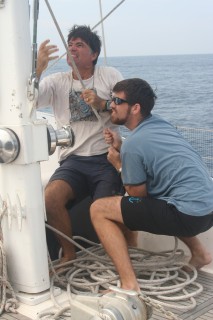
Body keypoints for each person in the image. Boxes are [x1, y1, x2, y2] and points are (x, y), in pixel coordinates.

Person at [90, 78, 213, 292]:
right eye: (111, 99)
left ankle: (129, 284)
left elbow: (136, 194)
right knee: (170, 199)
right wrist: (122, 145)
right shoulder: (160, 124)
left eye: (117, 101)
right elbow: (148, 152)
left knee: (99, 209)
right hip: (206, 210)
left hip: (186, 216)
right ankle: (200, 253)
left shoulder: (135, 145)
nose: (111, 105)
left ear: (135, 108)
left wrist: (119, 163)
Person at [36, 25, 136, 263]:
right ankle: (68, 255)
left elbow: (127, 107)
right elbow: (30, 101)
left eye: (79, 44)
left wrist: (102, 103)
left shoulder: (108, 75)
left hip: (105, 157)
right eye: (70, 44)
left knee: (107, 209)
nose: (72, 48)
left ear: (93, 54)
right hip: (73, 160)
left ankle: (127, 255)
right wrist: (38, 69)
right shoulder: (56, 81)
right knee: (50, 199)